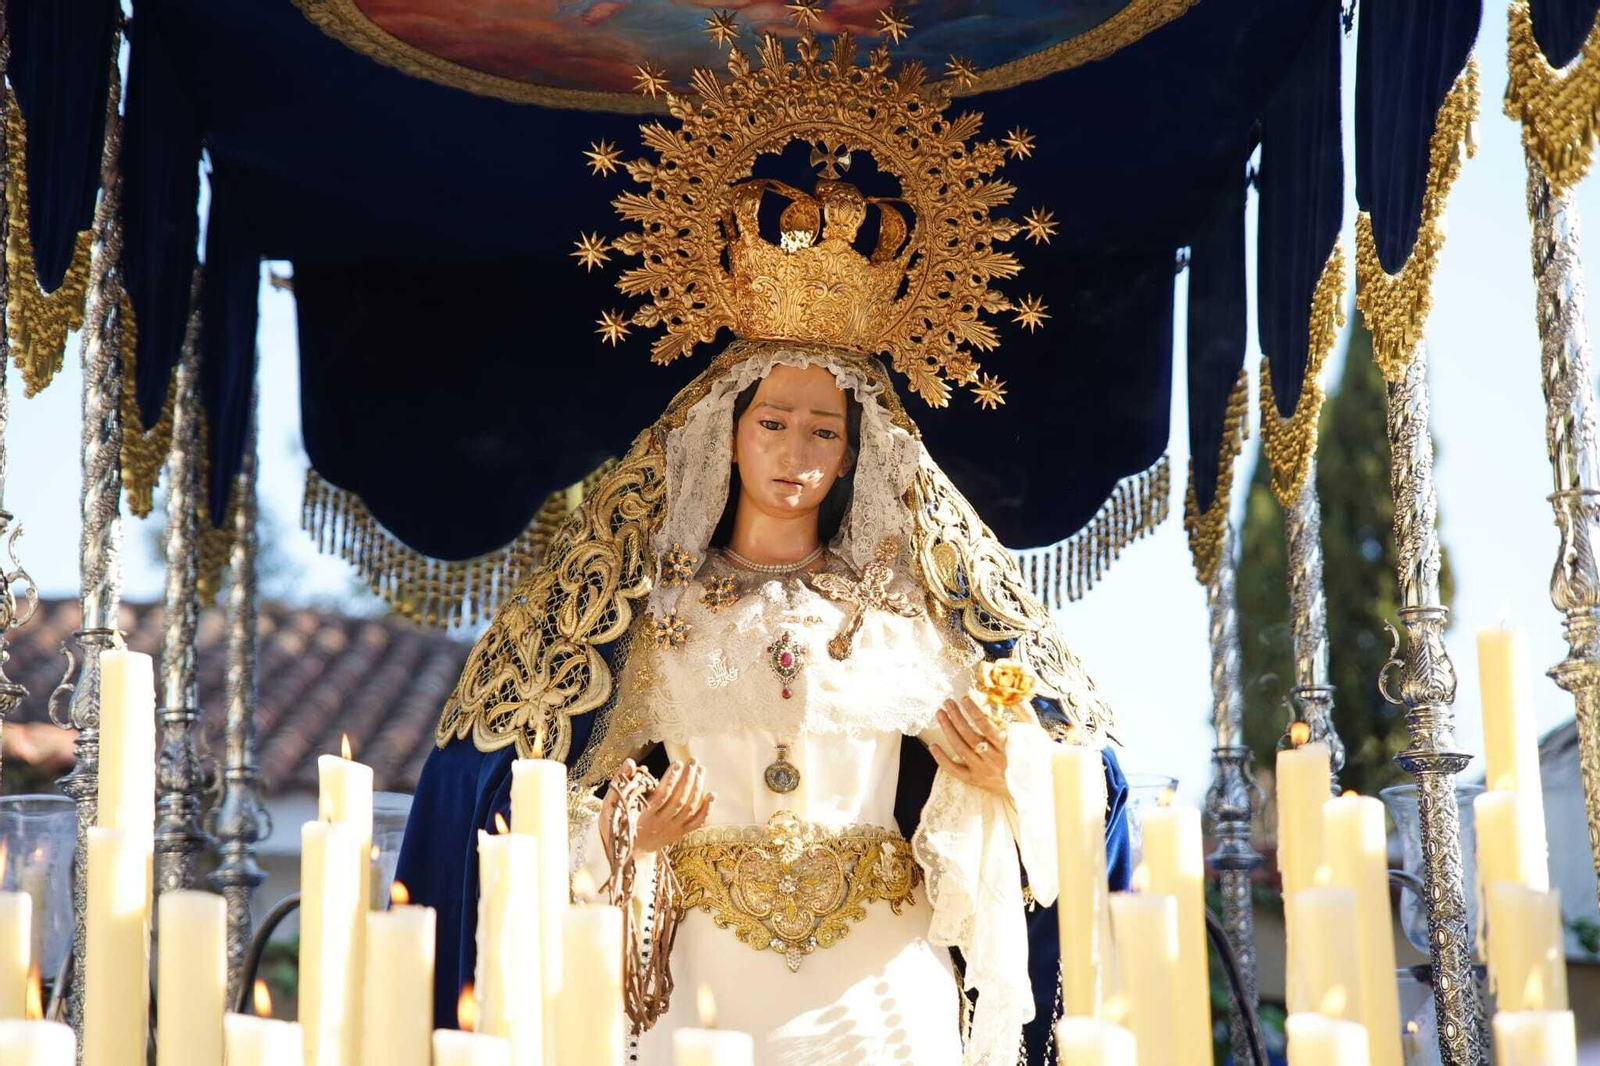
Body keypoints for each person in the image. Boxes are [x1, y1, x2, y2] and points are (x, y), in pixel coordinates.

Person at [397, 25, 1130, 1065]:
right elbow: (533, 825)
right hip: (704, 990)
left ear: (854, 454)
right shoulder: (654, 610)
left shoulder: (913, 613)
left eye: (823, 430)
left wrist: (1007, 774)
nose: (796, 451)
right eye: (772, 424)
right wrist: (626, 840)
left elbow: (1068, 781)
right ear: (725, 437)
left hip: (889, 992)